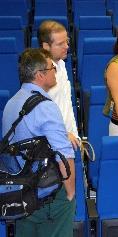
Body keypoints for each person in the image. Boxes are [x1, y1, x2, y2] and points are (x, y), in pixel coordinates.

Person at [2, 48, 76, 237]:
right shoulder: (46, 107)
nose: (56, 71)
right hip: (48, 194)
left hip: (21, 192)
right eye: (52, 68)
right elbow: (64, 156)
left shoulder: (11, 103)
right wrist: (69, 195)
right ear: (40, 75)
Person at [38, 20, 80, 150]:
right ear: (46, 46)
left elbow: (66, 105)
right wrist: (63, 134)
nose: (67, 46)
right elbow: (40, 114)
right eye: (60, 44)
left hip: (69, 139)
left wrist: (74, 134)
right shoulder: (40, 73)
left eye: (66, 41)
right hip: (51, 143)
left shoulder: (61, 64)